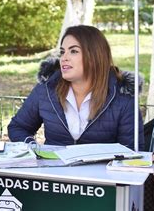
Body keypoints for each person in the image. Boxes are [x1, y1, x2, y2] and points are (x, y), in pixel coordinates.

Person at [8, 25, 144, 150]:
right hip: (53, 173)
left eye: (73, 51)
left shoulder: (123, 97)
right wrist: (34, 149)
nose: (64, 58)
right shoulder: (46, 89)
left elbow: (132, 151)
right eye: (62, 52)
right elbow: (18, 127)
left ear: (94, 56)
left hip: (101, 176)